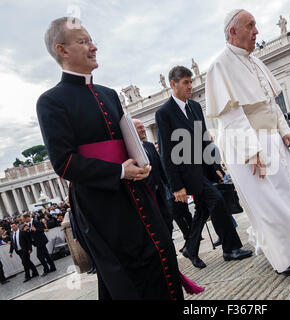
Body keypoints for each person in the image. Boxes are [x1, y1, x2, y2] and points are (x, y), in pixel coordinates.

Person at [36, 17, 184, 300]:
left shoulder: (109, 95)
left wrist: (140, 162)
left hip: (137, 193)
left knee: (161, 253)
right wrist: (118, 171)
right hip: (102, 206)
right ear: (62, 50)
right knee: (128, 277)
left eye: (91, 40)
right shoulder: (51, 101)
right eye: (83, 41)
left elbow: (126, 143)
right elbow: (64, 162)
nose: (93, 47)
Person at [205, 9, 290, 276]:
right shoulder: (220, 65)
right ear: (233, 32)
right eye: (250, 25)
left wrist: (285, 131)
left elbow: (271, 103)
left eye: (256, 25)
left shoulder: (255, 61)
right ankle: (283, 259)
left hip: (272, 141)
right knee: (269, 205)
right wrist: (252, 153)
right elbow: (231, 116)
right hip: (248, 147)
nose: (257, 31)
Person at [156, 65, 252, 269]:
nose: (190, 86)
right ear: (173, 85)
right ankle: (231, 248)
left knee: (202, 209)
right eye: (185, 83)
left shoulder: (195, 107)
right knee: (216, 201)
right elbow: (166, 153)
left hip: (203, 169)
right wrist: (176, 187)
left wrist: (215, 165)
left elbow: (204, 140)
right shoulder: (164, 113)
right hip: (185, 173)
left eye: (191, 82)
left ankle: (191, 248)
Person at [133, 119, 174, 234]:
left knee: (168, 219)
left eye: (143, 127)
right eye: (139, 128)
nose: (143, 130)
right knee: (156, 224)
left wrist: (170, 186)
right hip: (146, 194)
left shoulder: (150, 146)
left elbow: (160, 168)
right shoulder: (131, 150)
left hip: (160, 191)